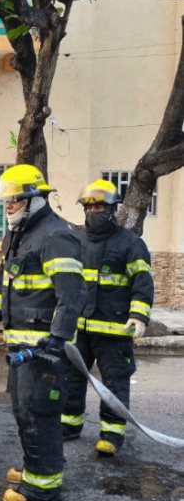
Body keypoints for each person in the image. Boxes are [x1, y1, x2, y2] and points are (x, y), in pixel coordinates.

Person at [0, 164, 86, 501]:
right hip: (20, 343)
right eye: (6, 201)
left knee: (39, 412)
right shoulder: (20, 233)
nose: (7, 206)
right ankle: (35, 469)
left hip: (42, 347)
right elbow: (6, 277)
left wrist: (57, 339)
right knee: (24, 410)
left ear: (32, 199)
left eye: (13, 201)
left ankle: (43, 488)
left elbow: (72, 296)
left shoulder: (55, 236)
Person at [61, 179, 154, 456]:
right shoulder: (75, 241)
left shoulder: (131, 243)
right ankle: (70, 424)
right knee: (72, 379)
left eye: (100, 206)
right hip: (79, 328)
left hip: (115, 331)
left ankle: (111, 435)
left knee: (114, 382)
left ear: (112, 209)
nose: (94, 212)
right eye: (89, 207)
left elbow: (142, 282)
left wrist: (138, 316)